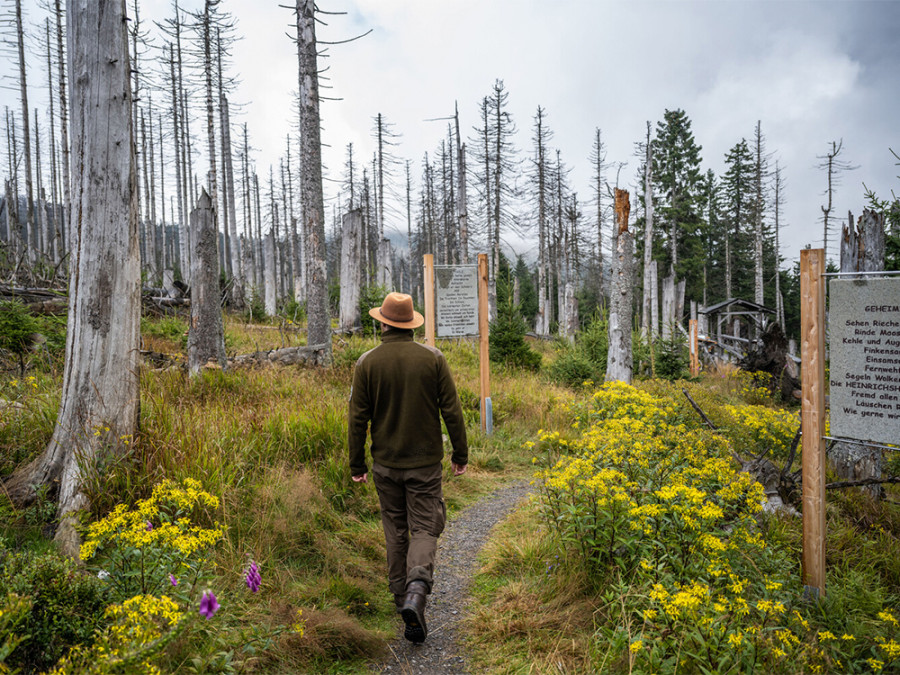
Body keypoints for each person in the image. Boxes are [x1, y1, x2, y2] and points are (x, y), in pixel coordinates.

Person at [348, 292, 468, 643]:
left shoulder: (366, 363)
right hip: (426, 464)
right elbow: (452, 411)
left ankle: (402, 598)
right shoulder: (433, 358)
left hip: (385, 464)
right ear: (410, 324)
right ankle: (417, 592)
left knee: (395, 528)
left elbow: (357, 420)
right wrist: (460, 453)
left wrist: (357, 463)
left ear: (383, 323)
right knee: (426, 527)